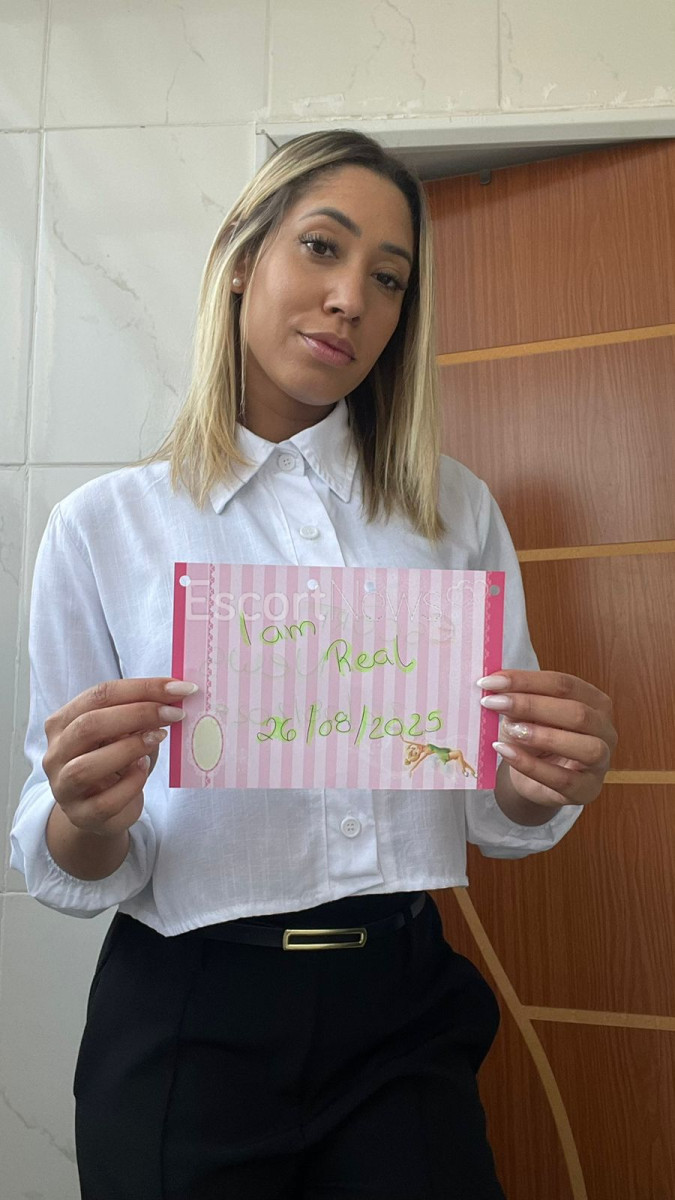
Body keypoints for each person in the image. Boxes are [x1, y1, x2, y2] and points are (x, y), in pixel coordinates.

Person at [10, 130, 617, 1200]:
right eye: (322, 248)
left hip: (403, 1013)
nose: (350, 300)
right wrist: (87, 815)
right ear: (241, 260)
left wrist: (540, 781)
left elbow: (494, 805)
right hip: (189, 1019)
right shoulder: (103, 528)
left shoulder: (454, 510)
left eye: (389, 279)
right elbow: (69, 849)